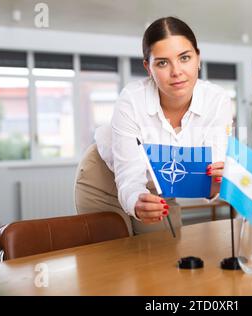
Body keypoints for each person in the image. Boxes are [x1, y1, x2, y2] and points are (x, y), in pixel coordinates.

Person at [75, 16, 233, 236]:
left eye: (184, 58)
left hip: (163, 183)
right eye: (162, 62)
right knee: (112, 258)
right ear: (148, 68)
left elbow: (209, 178)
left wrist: (223, 178)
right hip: (105, 177)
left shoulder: (217, 101)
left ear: (198, 58)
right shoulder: (131, 100)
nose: (176, 71)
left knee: (163, 254)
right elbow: (129, 178)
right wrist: (136, 203)